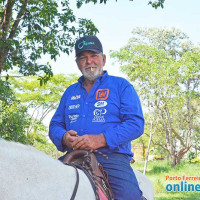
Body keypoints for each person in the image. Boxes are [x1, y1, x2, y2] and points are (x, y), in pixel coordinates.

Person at [49, 35, 145, 200]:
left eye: (93, 56)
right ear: (78, 63)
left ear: (103, 59)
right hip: (73, 156)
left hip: (112, 158)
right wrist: (64, 137)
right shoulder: (70, 92)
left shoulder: (121, 86)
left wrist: (101, 139)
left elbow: (135, 124)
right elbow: (55, 125)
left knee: (130, 197)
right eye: (83, 58)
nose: (89, 62)